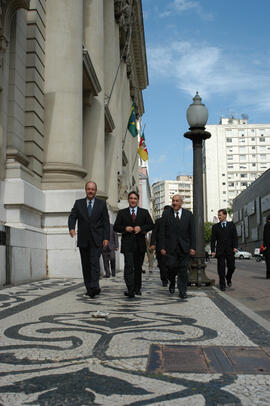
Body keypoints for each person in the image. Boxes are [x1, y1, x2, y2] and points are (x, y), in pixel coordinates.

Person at [68, 181, 110, 298]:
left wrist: (106, 238)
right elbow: (72, 216)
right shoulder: (78, 203)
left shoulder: (101, 204)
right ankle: (89, 287)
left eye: (92, 189)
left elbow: (106, 222)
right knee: (86, 265)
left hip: (97, 239)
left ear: (95, 191)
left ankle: (94, 286)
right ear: (85, 190)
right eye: (88, 189)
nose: (90, 191)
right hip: (83, 239)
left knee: (94, 264)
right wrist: (71, 228)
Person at [113, 191, 153, 298]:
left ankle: (137, 288)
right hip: (127, 245)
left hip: (140, 245)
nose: (133, 200)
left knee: (138, 268)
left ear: (138, 200)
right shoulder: (122, 213)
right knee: (129, 267)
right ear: (128, 200)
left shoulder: (144, 212)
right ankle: (130, 289)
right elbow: (116, 227)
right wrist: (125, 228)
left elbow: (151, 225)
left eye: (135, 198)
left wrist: (141, 228)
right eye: (131, 198)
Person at [159, 194, 195, 299]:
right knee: (170, 267)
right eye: (173, 201)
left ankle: (182, 290)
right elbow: (162, 232)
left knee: (183, 270)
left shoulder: (188, 215)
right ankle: (172, 282)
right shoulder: (166, 214)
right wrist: (162, 247)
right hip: (170, 248)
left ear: (181, 202)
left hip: (184, 248)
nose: (174, 203)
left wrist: (193, 247)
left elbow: (192, 232)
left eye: (177, 201)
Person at [211, 208, 238, 291]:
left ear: (225, 215)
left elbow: (235, 237)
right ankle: (222, 284)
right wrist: (212, 251)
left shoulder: (231, 225)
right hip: (220, 250)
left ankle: (228, 277)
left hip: (230, 250)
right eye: (218, 215)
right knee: (221, 268)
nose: (219, 217)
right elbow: (213, 240)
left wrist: (235, 247)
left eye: (220, 215)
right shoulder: (215, 227)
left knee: (231, 267)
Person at [150, 205, 173, 286]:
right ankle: (165, 278)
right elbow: (154, 233)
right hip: (164, 247)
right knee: (165, 265)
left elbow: (154, 234)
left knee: (163, 265)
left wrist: (153, 244)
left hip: (163, 247)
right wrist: (152, 244)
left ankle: (165, 279)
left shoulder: (159, 221)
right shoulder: (159, 221)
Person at [262, 214, 270, 279]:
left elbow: (265, 237)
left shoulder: (267, 225)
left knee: (268, 261)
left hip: (268, 247)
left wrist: (265, 245)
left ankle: (268, 275)